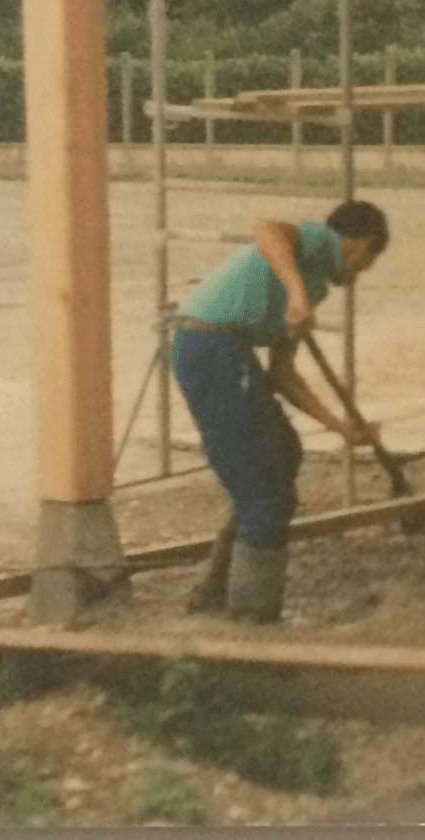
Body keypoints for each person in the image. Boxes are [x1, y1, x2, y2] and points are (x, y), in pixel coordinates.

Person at [172, 200, 389, 623]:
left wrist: (340, 427)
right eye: (366, 262)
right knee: (265, 494)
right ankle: (252, 619)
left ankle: (213, 592)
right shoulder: (314, 243)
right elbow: (268, 229)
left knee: (284, 453)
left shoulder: (317, 286)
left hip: (226, 351)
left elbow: (284, 373)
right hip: (211, 346)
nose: (360, 274)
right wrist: (294, 292)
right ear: (359, 244)